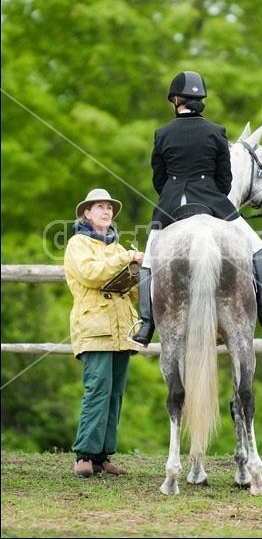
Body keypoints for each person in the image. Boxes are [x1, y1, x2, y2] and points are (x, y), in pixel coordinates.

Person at [129, 71, 262, 349]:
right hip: (212, 201)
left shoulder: (162, 134)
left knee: (150, 260)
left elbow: (159, 179)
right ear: (200, 100)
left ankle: (146, 324)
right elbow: (225, 180)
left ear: (176, 100)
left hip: (172, 203)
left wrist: (173, 194)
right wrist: (211, 194)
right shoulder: (217, 132)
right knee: (255, 245)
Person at [64, 188, 144, 478]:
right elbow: (91, 274)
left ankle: (102, 457)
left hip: (122, 331)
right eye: (99, 206)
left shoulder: (118, 248)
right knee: (97, 390)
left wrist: (142, 273)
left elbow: (132, 294)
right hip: (94, 327)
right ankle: (84, 455)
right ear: (87, 213)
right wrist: (127, 260)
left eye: (109, 207)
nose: (107, 211)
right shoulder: (77, 243)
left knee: (115, 393)